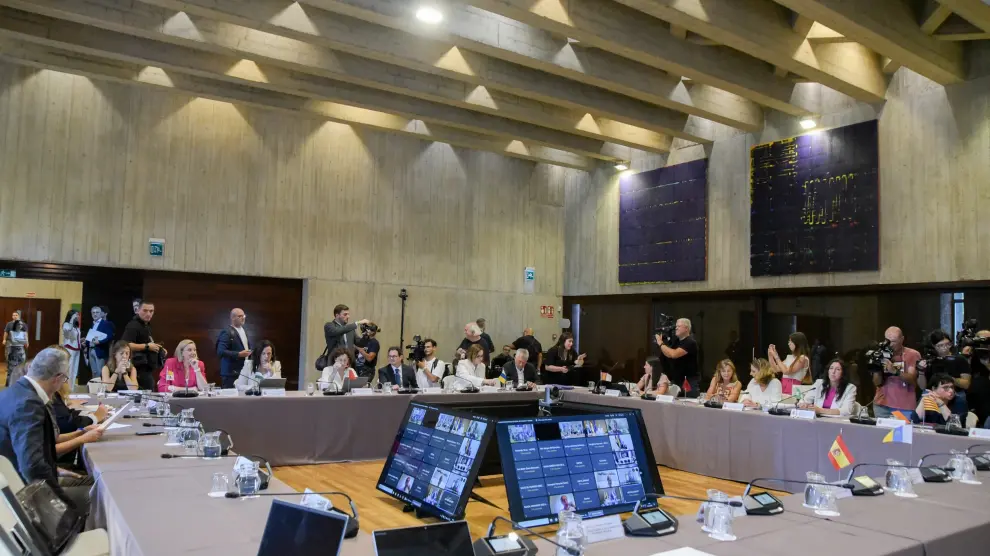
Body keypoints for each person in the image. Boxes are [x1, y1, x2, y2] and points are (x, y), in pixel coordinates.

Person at [0, 348, 102, 511]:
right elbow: (31, 466)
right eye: (65, 379)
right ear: (57, 378)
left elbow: (21, 451)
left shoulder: (13, 393)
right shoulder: (29, 404)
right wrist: (61, 502)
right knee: (100, 496)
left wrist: (55, 469)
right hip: (25, 495)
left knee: (96, 483)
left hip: (17, 482)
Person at [871, 326, 921, 421]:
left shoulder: (912, 354)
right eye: (887, 341)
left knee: (902, 435)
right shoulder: (880, 354)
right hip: (882, 405)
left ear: (902, 339)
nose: (890, 344)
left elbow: (912, 380)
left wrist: (895, 371)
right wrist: (876, 369)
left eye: (893, 341)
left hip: (904, 407)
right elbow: (876, 383)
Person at [918, 329, 971, 417]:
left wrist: (948, 379)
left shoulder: (959, 359)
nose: (945, 348)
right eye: (940, 345)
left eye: (947, 344)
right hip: (933, 396)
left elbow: (966, 384)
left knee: (956, 422)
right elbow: (922, 386)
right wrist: (921, 372)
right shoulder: (930, 360)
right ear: (933, 346)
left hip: (955, 396)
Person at [122, 300, 163, 390]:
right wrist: (147, 346)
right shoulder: (133, 325)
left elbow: (146, 342)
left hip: (147, 366)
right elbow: (125, 344)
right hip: (137, 368)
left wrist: (158, 348)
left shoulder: (147, 325)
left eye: (151, 311)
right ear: (138, 310)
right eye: (145, 310)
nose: (148, 314)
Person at [655, 318, 699, 394]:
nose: (676, 328)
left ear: (686, 328)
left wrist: (660, 343)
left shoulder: (690, 342)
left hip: (688, 382)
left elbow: (673, 354)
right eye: (676, 326)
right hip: (677, 381)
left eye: (679, 326)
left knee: (687, 402)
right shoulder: (676, 342)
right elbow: (667, 354)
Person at [216, 308, 252, 389]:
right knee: (230, 399)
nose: (243, 318)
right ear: (232, 318)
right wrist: (239, 354)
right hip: (231, 374)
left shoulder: (244, 330)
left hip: (243, 371)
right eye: (240, 316)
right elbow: (220, 352)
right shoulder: (227, 332)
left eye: (244, 316)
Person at [85, 305, 115, 381]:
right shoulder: (93, 324)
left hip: (100, 350)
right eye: (93, 312)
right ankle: (95, 390)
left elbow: (110, 336)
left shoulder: (105, 323)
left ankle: (102, 390)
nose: (95, 314)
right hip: (91, 350)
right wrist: (86, 342)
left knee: (100, 372)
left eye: (97, 312)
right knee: (94, 372)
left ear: (101, 313)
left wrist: (100, 341)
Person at [4, 318, 29, 386]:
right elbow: (13, 341)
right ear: (16, 325)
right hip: (13, 351)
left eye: (21, 324)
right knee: (11, 369)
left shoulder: (23, 333)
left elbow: (25, 342)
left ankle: (19, 385)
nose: (20, 325)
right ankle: (9, 385)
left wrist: (18, 341)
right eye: (19, 324)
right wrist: (21, 341)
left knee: (21, 369)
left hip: (21, 352)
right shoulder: (12, 332)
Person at [62, 310, 81, 389]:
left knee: (74, 370)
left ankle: (71, 388)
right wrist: (72, 319)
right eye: (76, 315)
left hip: (77, 350)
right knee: (69, 369)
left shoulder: (76, 326)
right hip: (70, 349)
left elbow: (76, 337)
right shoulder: (66, 325)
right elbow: (67, 332)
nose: (78, 317)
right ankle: (66, 388)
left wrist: (81, 341)